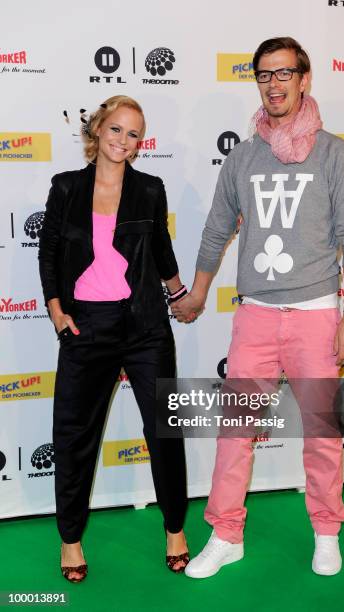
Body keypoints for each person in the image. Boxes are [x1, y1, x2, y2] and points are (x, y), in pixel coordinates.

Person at [172, 37, 344, 578]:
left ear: (304, 79)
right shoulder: (243, 155)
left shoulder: (333, 152)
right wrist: (196, 291)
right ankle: (225, 533)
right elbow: (216, 231)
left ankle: (326, 531)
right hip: (256, 313)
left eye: (284, 73)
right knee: (236, 432)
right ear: (257, 81)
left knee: (322, 433)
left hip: (316, 313)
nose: (274, 83)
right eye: (264, 74)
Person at [38, 95, 190, 582]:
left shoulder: (150, 188)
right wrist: (57, 311)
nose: (124, 140)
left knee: (164, 432)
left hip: (145, 325)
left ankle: (174, 529)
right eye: (117, 129)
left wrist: (180, 293)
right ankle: (71, 539)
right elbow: (50, 251)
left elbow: (161, 247)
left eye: (134, 134)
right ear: (98, 129)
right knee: (75, 437)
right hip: (87, 327)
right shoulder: (66, 188)